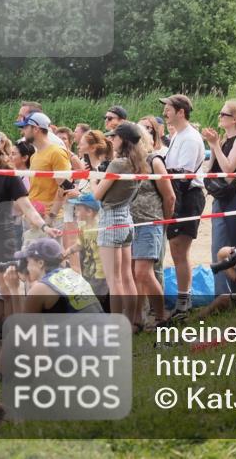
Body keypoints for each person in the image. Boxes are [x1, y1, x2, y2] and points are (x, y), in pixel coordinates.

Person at [0, 132, 61, 352]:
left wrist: (44, 226)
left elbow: (27, 207)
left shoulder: (8, 175)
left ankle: (18, 334)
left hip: (1, 238)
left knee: (8, 289)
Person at [91, 122, 143, 323]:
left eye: (114, 137)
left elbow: (97, 194)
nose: (111, 140)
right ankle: (129, 321)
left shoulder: (118, 163)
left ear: (123, 139)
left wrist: (95, 176)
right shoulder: (137, 161)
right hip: (126, 217)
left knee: (114, 280)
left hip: (111, 218)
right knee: (126, 277)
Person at [160, 94, 207, 316]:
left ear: (181, 112)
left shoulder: (189, 137)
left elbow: (184, 174)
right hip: (179, 193)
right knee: (176, 248)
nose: (164, 112)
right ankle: (182, 298)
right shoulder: (179, 135)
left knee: (180, 248)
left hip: (188, 195)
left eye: (168, 108)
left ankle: (184, 300)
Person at [202, 99, 236, 295]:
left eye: (223, 114)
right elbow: (212, 169)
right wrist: (213, 144)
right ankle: (222, 294)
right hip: (221, 197)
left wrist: (215, 145)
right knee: (218, 245)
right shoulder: (223, 140)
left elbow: (228, 169)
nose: (219, 117)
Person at [130, 128, 175, 328]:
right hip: (130, 225)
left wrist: (164, 222)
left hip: (151, 222)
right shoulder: (126, 164)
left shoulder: (154, 161)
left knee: (143, 272)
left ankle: (161, 316)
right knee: (133, 274)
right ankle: (138, 318)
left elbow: (169, 196)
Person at [0, 238, 102, 315]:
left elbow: (23, 330)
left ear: (40, 263)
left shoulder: (40, 289)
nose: (26, 266)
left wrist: (14, 289)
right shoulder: (72, 273)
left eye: (27, 261)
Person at [18, 112, 72, 231]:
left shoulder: (56, 152)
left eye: (25, 127)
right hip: (34, 216)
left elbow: (65, 186)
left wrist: (51, 217)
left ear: (36, 129)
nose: (23, 132)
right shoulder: (34, 156)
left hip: (48, 219)